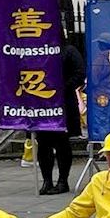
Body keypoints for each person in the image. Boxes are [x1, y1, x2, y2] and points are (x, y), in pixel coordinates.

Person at [36, 36, 85, 195]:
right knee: (43, 143)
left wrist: (62, 89)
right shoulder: (38, 50)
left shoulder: (69, 51)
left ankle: (63, 181)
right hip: (42, 104)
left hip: (63, 103)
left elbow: (79, 74)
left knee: (62, 143)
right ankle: (47, 181)